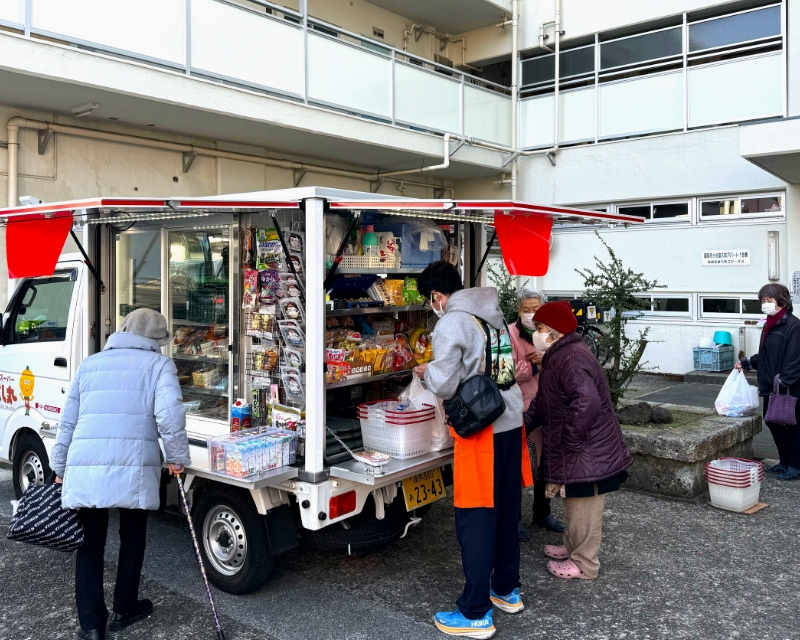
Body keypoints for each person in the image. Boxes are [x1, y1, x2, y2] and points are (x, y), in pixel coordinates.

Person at [51, 308, 192, 640]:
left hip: (87, 464)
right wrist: (177, 458)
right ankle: (125, 607)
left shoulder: (91, 364)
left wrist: (59, 467)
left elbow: (67, 421)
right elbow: (170, 416)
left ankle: (92, 624)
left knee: (90, 542)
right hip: (133, 464)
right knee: (132, 536)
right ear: (157, 340)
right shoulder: (160, 366)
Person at [413, 261, 533, 639]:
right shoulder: (492, 313)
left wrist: (425, 372)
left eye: (429, 301)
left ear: (436, 296)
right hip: (512, 420)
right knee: (505, 508)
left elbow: (446, 383)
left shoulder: (452, 321)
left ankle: (475, 611)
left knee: (476, 516)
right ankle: (506, 589)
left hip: (482, 431)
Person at [524, 301, 632, 581]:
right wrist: (523, 425)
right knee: (574, 502)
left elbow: (587, 401)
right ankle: (572, 548)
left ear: (555, 330)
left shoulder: (570, 357)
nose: (536, 333)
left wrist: (569, 439)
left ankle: (585, 563)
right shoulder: (560, 355)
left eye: (540, 328)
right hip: (583, 447)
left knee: (585, 505)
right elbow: (544, 402)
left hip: (587, 449)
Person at [508, 288, 565, 541]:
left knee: (545, 465)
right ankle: (514, 519)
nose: (531, 314)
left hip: (548, 409)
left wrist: (548, 357)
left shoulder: (550, 333)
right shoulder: (509, 333)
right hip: (522, 409)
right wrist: (534, 365)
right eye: (526, 309)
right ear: (518, 310)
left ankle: (542, 512)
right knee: (519, 466)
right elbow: (507, 370)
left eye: (535, 309)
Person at [736, 283, 800, 481]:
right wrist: (747, 363)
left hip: (789, 388)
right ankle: (784, 461)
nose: (765, 304)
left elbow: (795, 358)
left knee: (794, 427)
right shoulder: (769, 324)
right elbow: (766, 354)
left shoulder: (794, 325)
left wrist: (783, 382)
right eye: (762, 301)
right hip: (771, 387)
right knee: (774, 423)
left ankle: (795, 465)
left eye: (769, 300)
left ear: (782, 301)